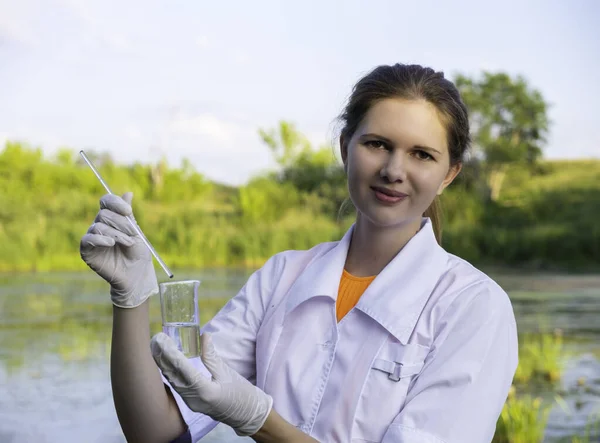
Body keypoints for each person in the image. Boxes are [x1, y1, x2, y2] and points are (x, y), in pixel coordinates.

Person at [80, 63, 518, 443]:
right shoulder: (282, 277)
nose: (393, 170)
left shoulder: (474, 308)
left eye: (422, 154)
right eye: (377, 144)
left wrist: (259, 420)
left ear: (449, 174)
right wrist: (131, 299)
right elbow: (154, 432)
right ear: (346, 146)